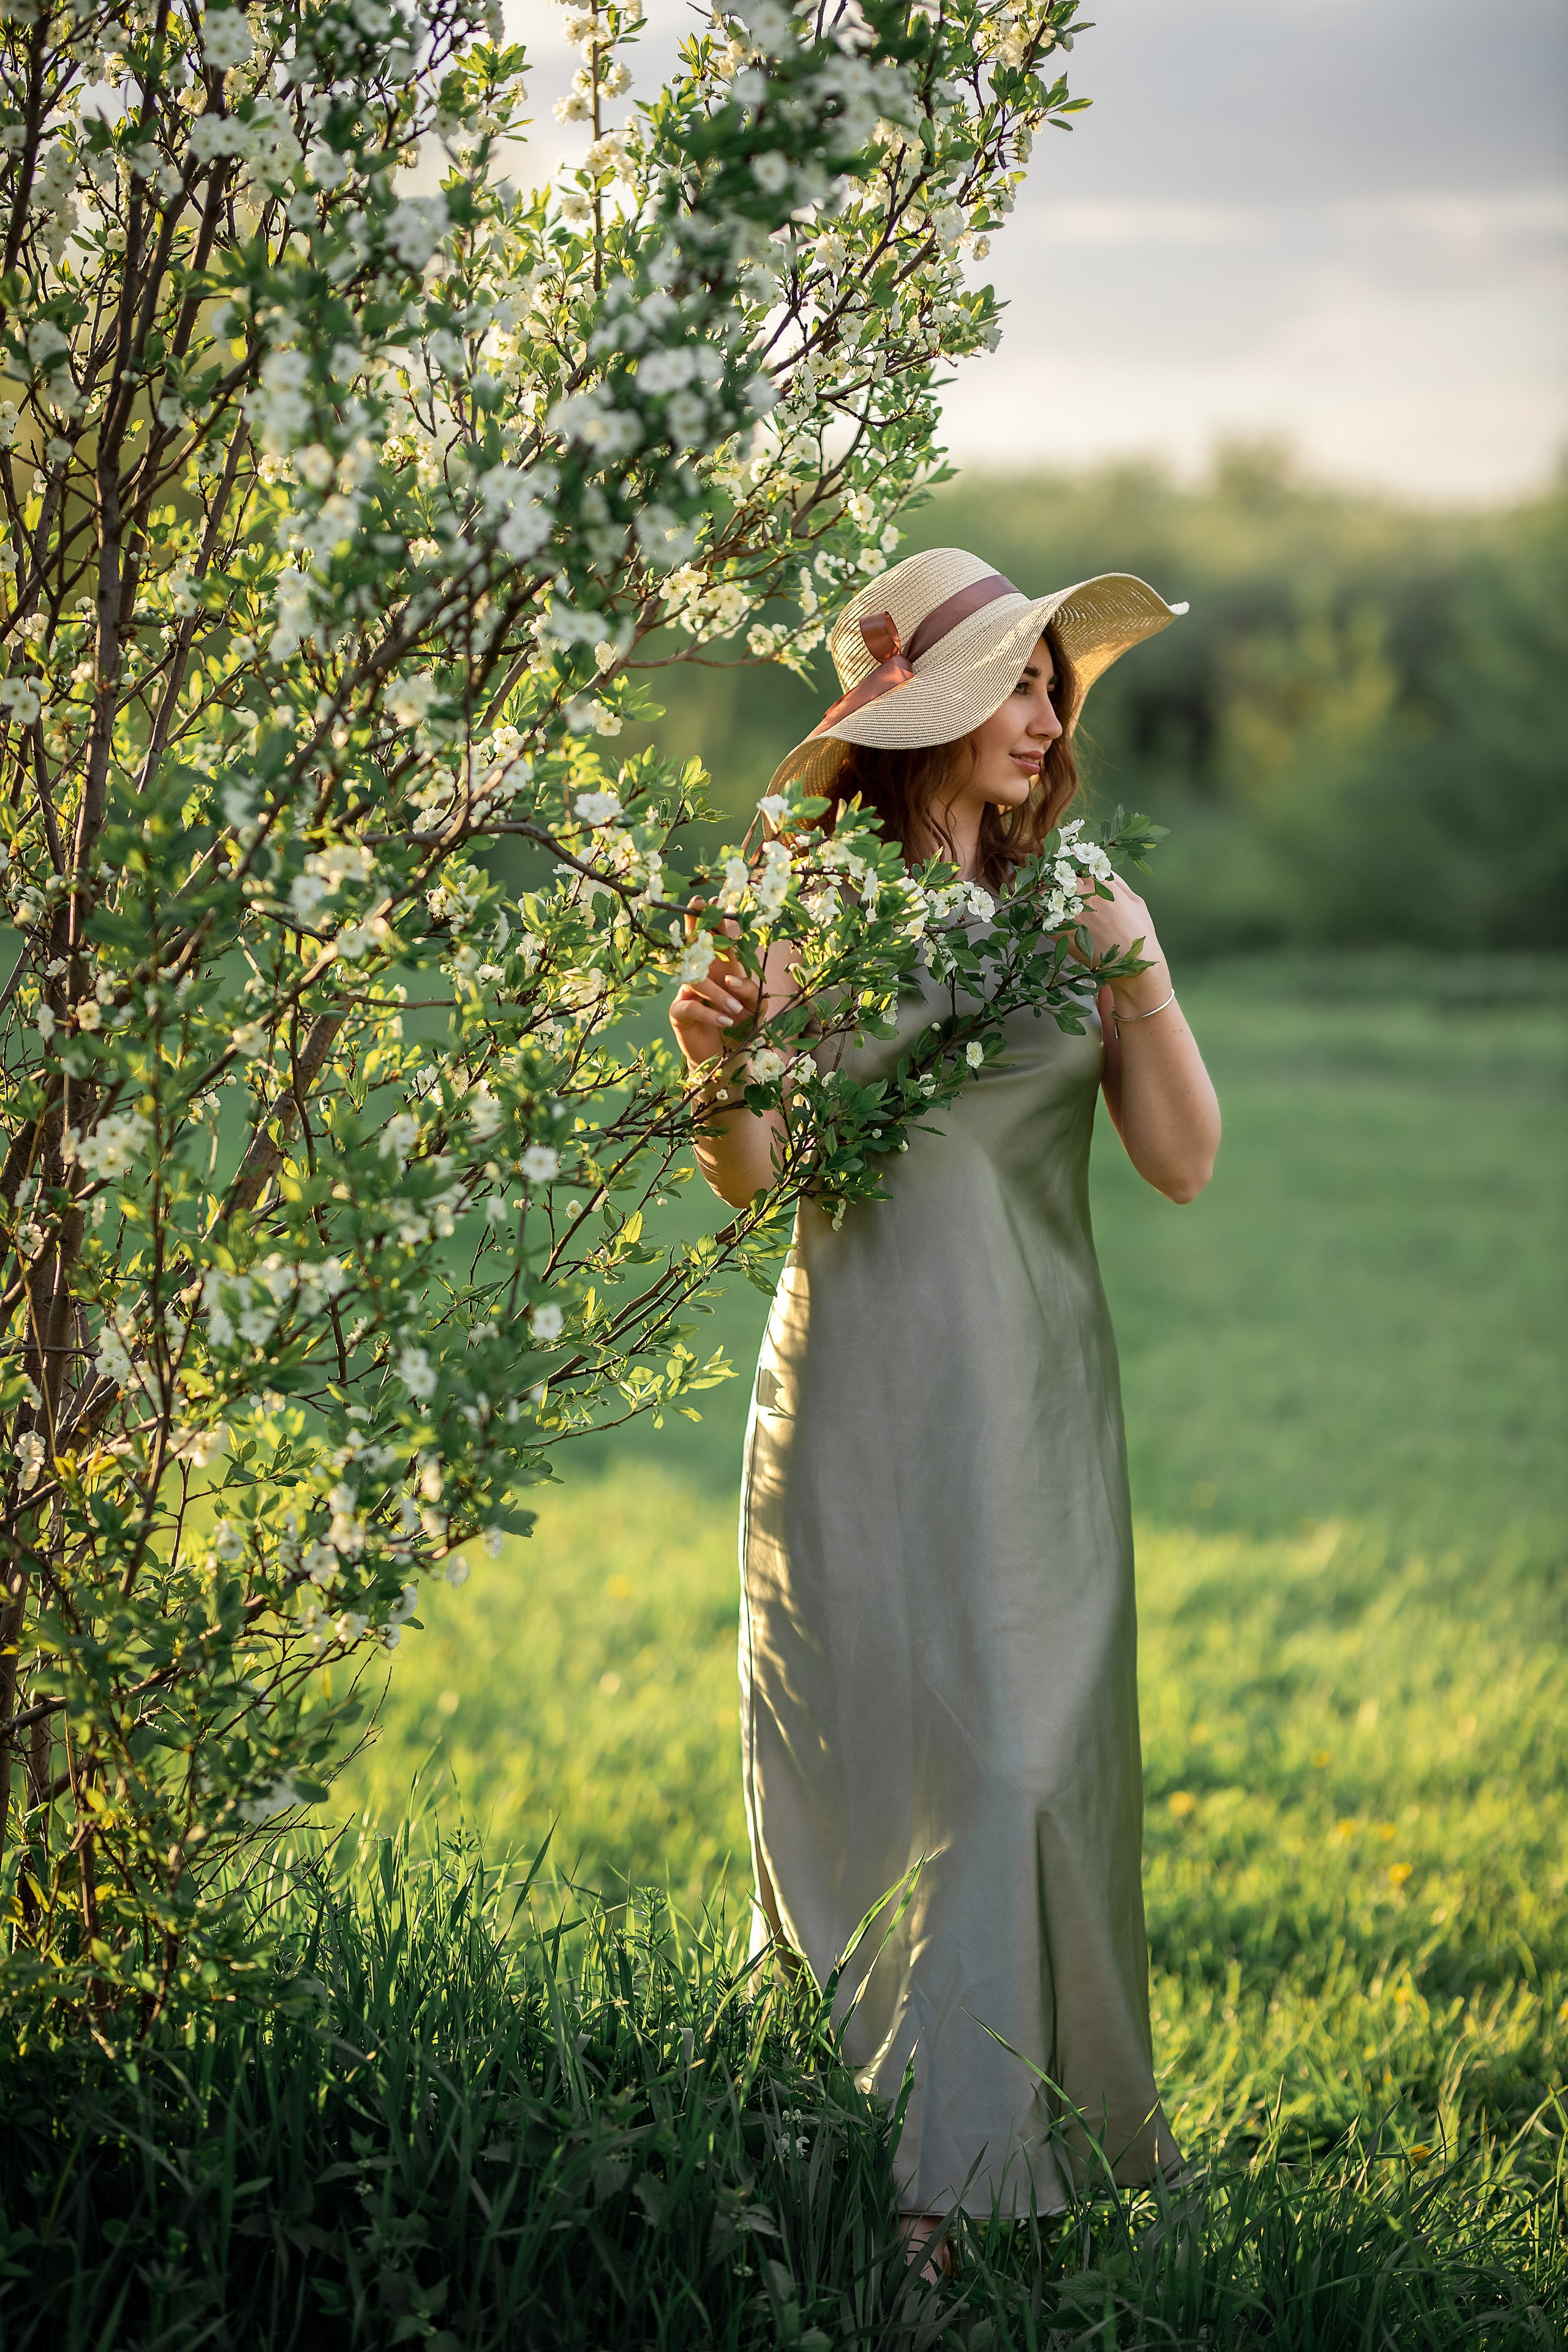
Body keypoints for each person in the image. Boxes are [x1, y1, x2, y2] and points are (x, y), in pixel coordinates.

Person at [668, 547, 1221, 2264]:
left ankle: (1013, 2152)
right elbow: (757, 1189)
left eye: (1055, 683)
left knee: (1022, 1761)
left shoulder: (1085, 902)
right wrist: (714, 1069)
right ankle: (906, 2196)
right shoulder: (808, 912)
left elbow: (1184, 1162)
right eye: (1016, 682)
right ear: (927, 719)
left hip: (1041, 1396)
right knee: (880, 1770)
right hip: (862, 1387)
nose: (1046, 714)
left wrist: (1138, 973)